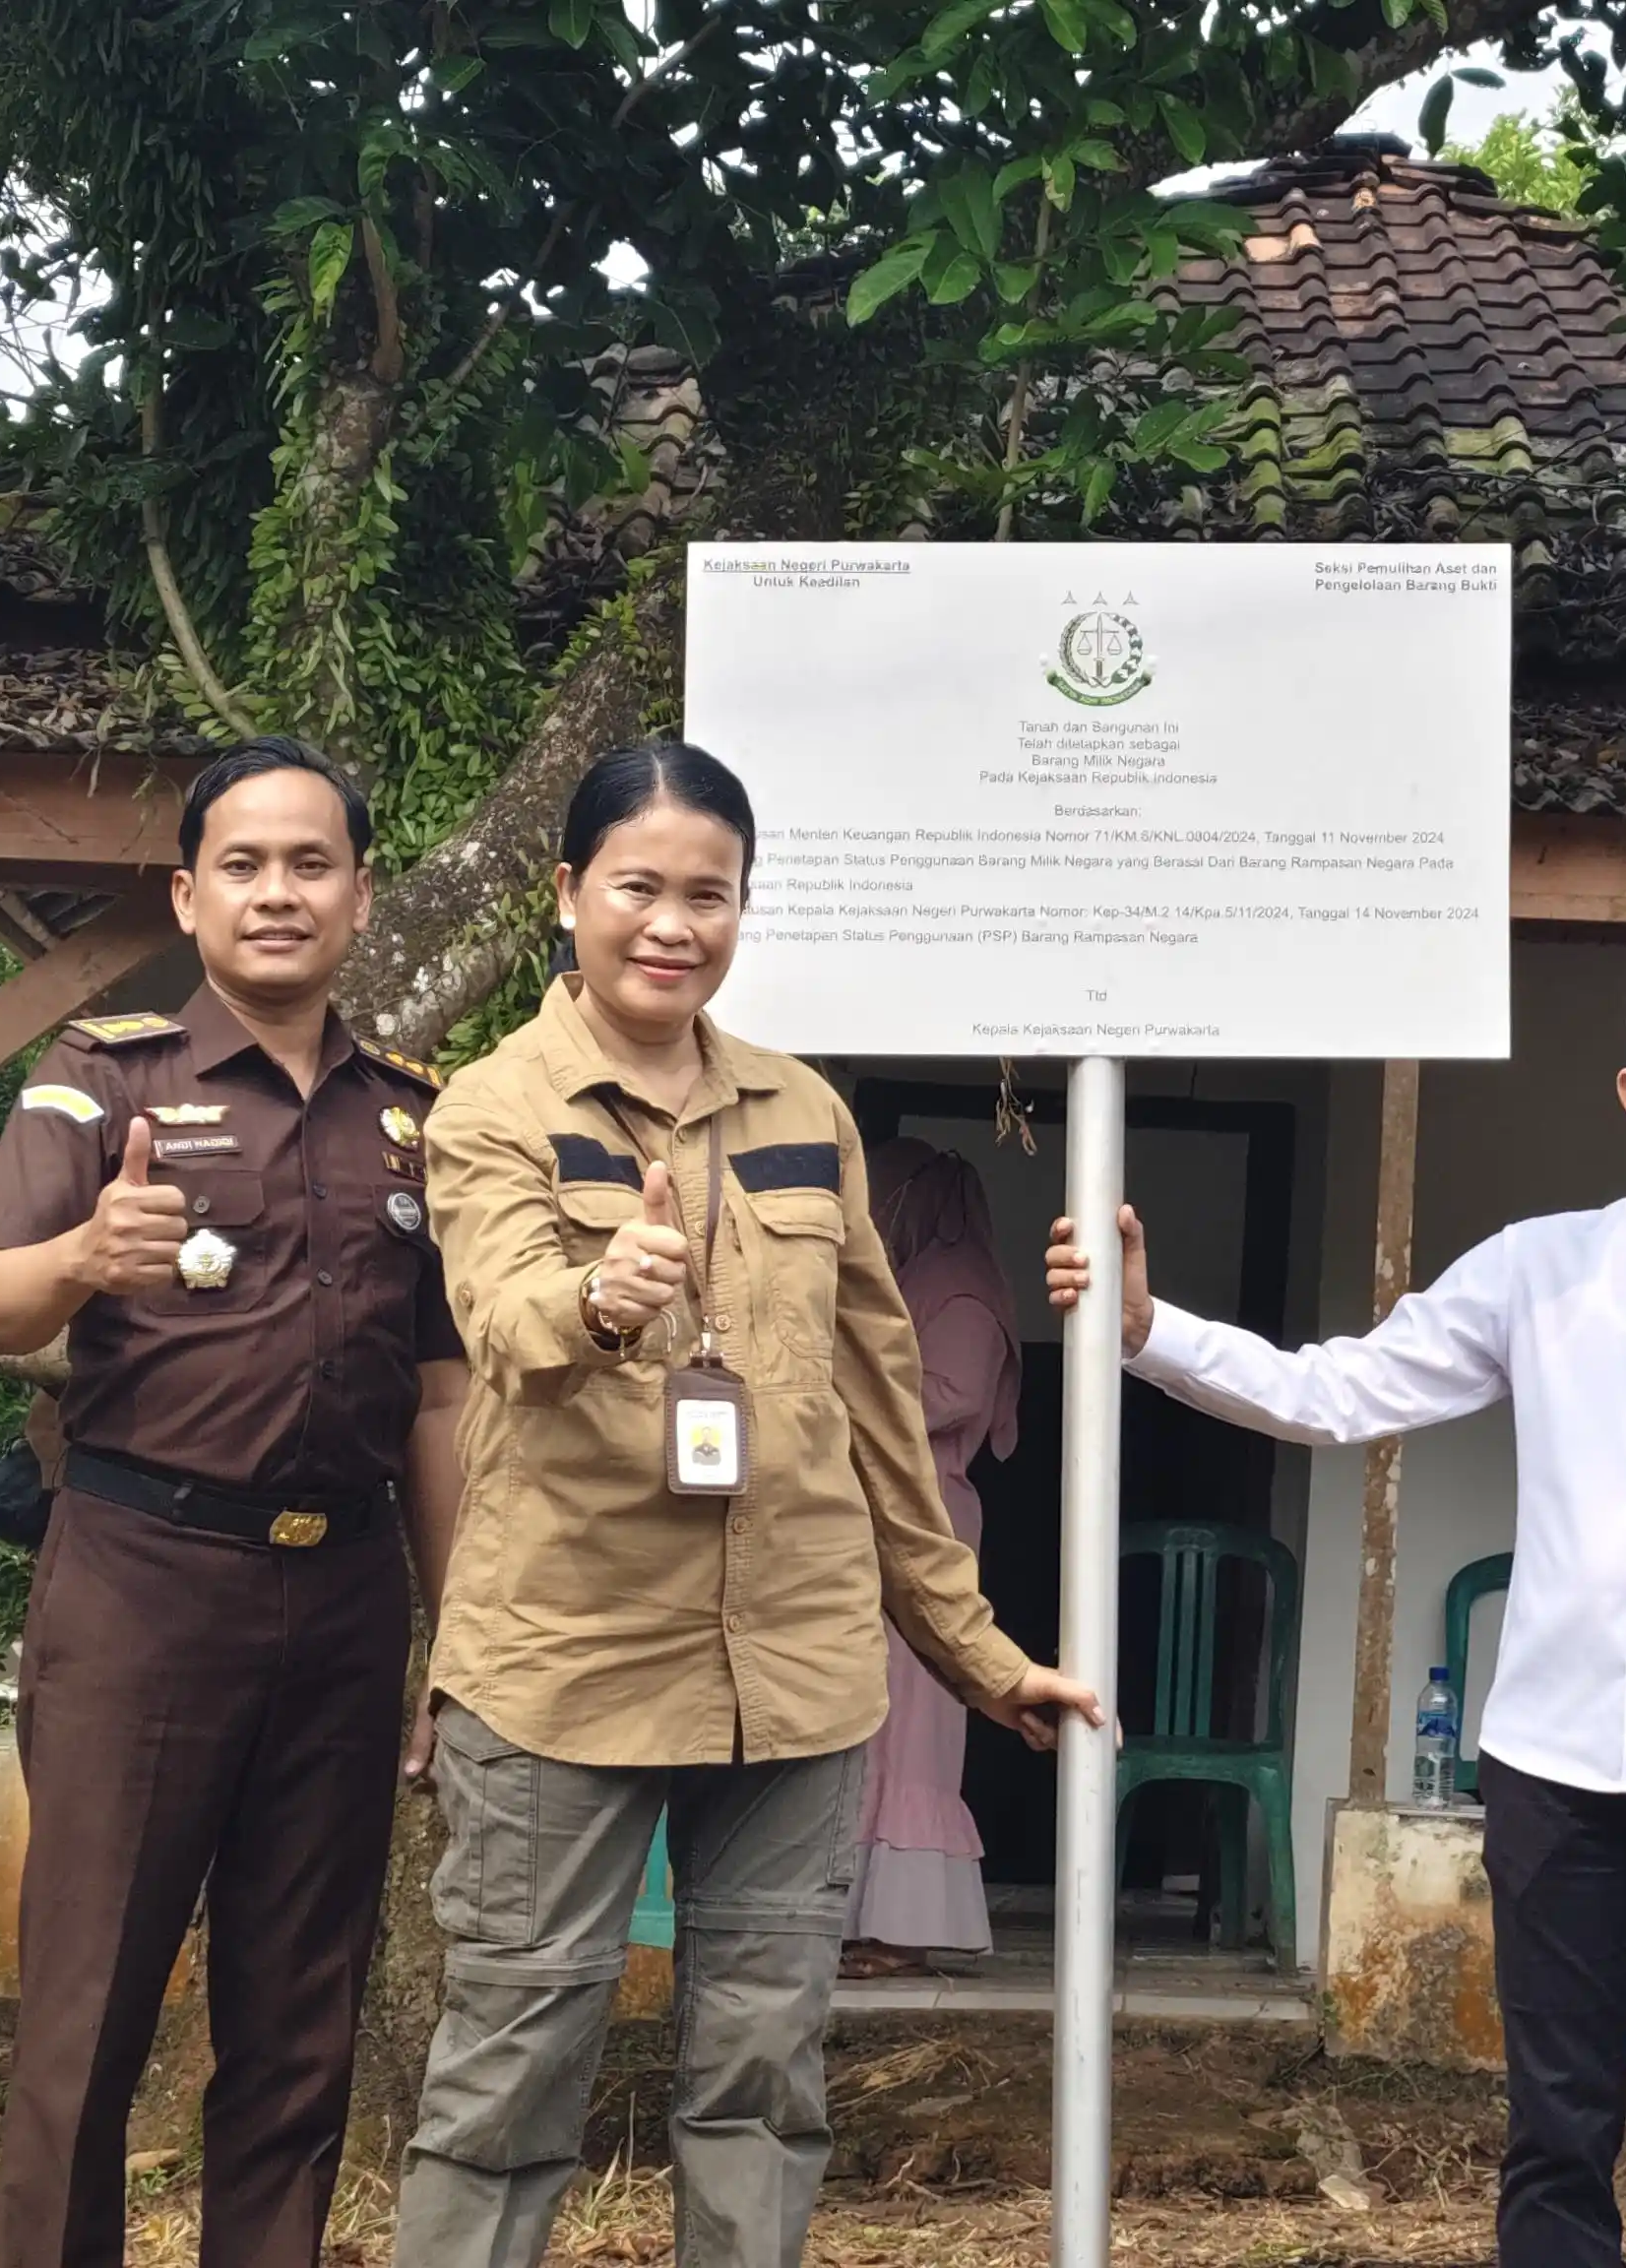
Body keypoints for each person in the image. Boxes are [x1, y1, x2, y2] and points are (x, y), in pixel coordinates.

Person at [1052, 947, 1626, 2268]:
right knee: (1555, 2122)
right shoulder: (1543, 1268)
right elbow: (1339, 1393)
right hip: (1559, 1765)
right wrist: (1149, 1330)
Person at [397, 740, 1098, 2268]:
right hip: (563, 1666)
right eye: (637, 887)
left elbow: (879, 1401)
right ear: (568, 890)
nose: (672, 924)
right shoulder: (492, 1107)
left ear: (741, 911)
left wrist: (977, 1650)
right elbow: (501, 1315)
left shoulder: (804, 1111)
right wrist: (599, 1295)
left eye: (706, 895)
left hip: (796, 1667)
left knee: (762, 2083)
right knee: (511, 2076)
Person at [0, 738, 471, 2268]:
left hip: (346, 1602)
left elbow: (439, 1398)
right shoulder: (100, 1075)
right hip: (142, 1583)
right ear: (188, 894)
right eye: (242, 864)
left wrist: (444, 1637)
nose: (278, 892)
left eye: (312, 864)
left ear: (362, 896)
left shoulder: (410, 1118)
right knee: (85, 2018)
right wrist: (82, 1260)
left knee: (301, 2023)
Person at [843, 1138, 1020, 1975]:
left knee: (915, 1724)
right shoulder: (917, 1281)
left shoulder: (964, 1290)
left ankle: (906, 1926)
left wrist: (846, 1393)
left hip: (931, 1519)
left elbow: (952, 1395)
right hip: (879, 1514)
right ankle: (861, 1915)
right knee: (874, 1714)